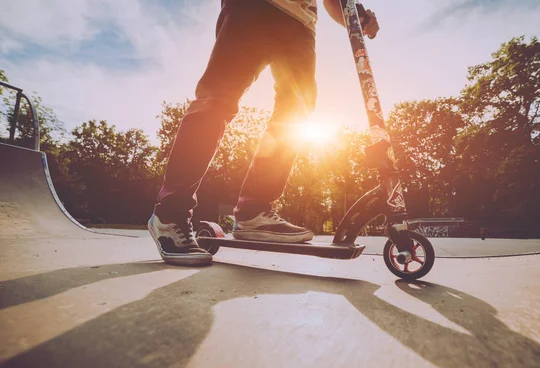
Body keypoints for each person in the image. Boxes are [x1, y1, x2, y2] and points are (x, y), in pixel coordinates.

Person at [148, 0, 380, 266]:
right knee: (217, 99)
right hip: (254, 6)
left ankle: (254, 211)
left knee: (298, 109)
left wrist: (355, 17)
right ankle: (170, 215)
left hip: (301, 24)